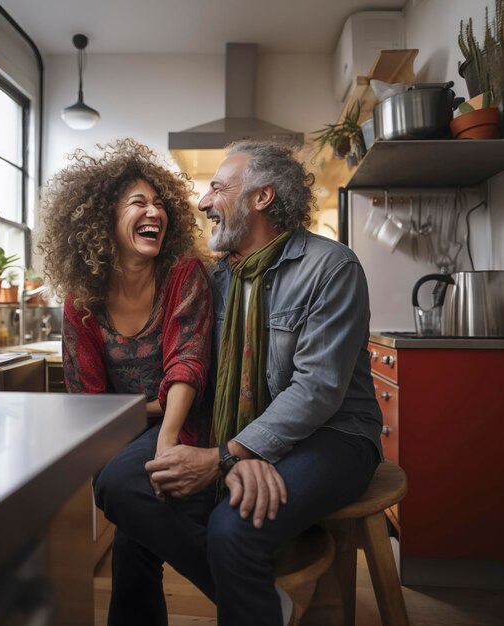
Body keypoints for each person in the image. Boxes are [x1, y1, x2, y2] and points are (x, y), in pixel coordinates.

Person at [94, 140, 383, 626]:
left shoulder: (331, 268)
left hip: (335, 434)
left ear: (261, 197)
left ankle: (257, 600)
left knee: (233, 529)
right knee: (120, 486)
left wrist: (228, 457)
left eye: (217, 189)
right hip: (249, 429)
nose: (204, 202)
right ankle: (261, 597)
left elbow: (318, 391)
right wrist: (239, 450)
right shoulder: (216, 279)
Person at [36, 137, 213, 459]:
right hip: (116, 426)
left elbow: (187, 365)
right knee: (111, 482)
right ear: (106, 219)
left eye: (160, 204)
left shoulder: (183, 275)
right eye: (138, 203)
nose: (154, 212)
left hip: (182, 424)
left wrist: (166, 442)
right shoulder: (83, 300)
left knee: (126, 483)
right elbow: (87, 394)